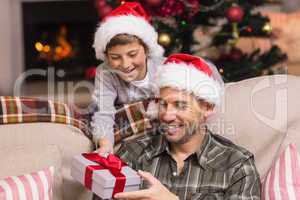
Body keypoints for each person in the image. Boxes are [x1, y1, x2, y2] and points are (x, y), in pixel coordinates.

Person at [112, 53, 261, 199]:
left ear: (207, 108)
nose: (167, 115)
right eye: (163, 104)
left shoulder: (237, 165)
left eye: (180, 105)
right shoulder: (132, 153)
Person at [91, 2, 165, 153]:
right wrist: (105, 144)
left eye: (132, 54)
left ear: (146, 49)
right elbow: (103, 113)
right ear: (106, 56)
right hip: (127, 128)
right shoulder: (105, 73)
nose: (125, 64)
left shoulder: (163, 68)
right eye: (115, 57)